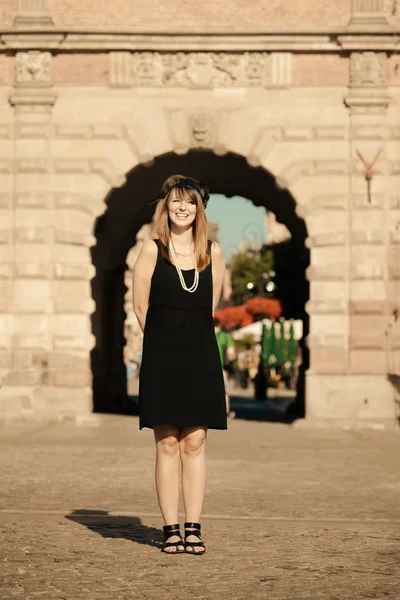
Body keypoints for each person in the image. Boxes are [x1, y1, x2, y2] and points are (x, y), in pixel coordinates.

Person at [132, 175, 227, 556]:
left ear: (199, 208)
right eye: (176, 201)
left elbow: (211, 308)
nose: (182, 208)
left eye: (189, 202)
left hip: (201, 351)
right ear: (166, 207)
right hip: (163, 353)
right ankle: (171, 527)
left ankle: (194, 527)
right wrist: (161, 343)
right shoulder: (152, 250)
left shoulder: (213, 253)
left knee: (196, 441)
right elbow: (141, 307)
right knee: (167, 442)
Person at [214, 317, 236, 419]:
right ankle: (225, 413)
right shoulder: (225, 336)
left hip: (204, 368)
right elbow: (231, 353)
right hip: (220, 368)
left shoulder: (202, 333)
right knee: (224, 392)